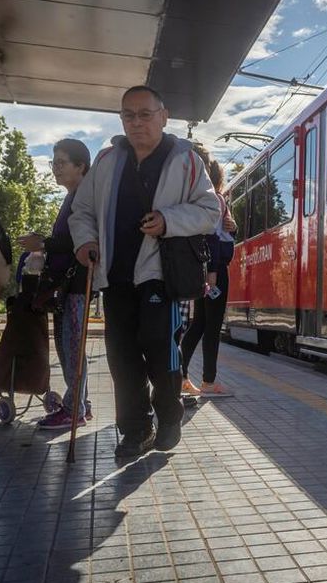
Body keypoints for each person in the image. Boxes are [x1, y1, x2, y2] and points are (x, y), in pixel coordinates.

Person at [69, 85, 220, 459]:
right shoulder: (107, 161)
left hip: (160, 273)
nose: (137, 123)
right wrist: (85, 243)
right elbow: (82, 211)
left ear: (163, 115)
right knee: (121, 356)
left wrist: (169, 220)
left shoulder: (185, 159)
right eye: (129, 115)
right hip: (114, 273)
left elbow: (209, 211)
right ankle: (135, 430)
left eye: (145, 114)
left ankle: (169, 416)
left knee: (157, 345)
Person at [19, 139, 93, 430]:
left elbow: (78, 240)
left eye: (61, 163)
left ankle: (75, 408)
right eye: (53, 163)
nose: (55, 169)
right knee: (68, 346)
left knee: (73, 346)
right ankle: (79, 405)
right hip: (66, 284)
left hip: (77, 283)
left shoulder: (83, 198)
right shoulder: (71, 195)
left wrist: (44, 243)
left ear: (81, 166)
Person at [181, 160, 237, 397]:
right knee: (212, 327)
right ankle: (208, 381)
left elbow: (220, 232)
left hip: (201, 268)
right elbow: (214, 238)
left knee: (198, 324)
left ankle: (181, 376)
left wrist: (233, 228)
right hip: (216, 269)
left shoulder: (199, 200)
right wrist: (213, 271)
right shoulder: (216, 199)